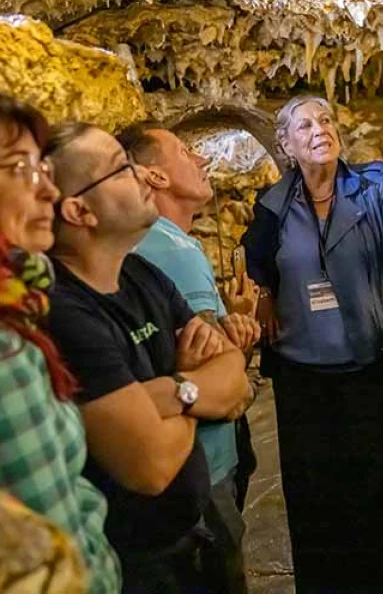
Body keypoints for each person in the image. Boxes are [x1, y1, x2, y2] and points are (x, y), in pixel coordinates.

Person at [241, 94, 383, 592]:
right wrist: (265, 292)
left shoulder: (373, 187)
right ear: (286, 145)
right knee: (312, 499)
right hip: (300, 379)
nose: (320, 129)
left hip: (364, 370)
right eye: (305, 125)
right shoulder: (273, 205)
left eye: (326, 119)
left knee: (368, 497)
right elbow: (254, 257)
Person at [45, 121, 253, 593]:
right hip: (134, 565)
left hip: (192, 537)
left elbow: (235, 374)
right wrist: (194, 384)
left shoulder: (141, 273)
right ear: (79, 210)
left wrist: (165, 393)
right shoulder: (63, 312)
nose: (141, 178)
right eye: (121, 170)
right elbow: (151, 465)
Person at [119, 124, 261, 593]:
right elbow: (216, 374)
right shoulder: (164, 250)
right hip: (200, 465)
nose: (202, 160)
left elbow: (202, 347)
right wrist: (229, 359)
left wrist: (230, 323)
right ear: (154, 178)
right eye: (185, 151)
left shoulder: (171, 243)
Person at [0, 94, 121, 593]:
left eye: (42, 167)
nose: (47, 189)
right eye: (18, 168)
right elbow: (63, 563)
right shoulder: (9, 353)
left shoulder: (26, 304)